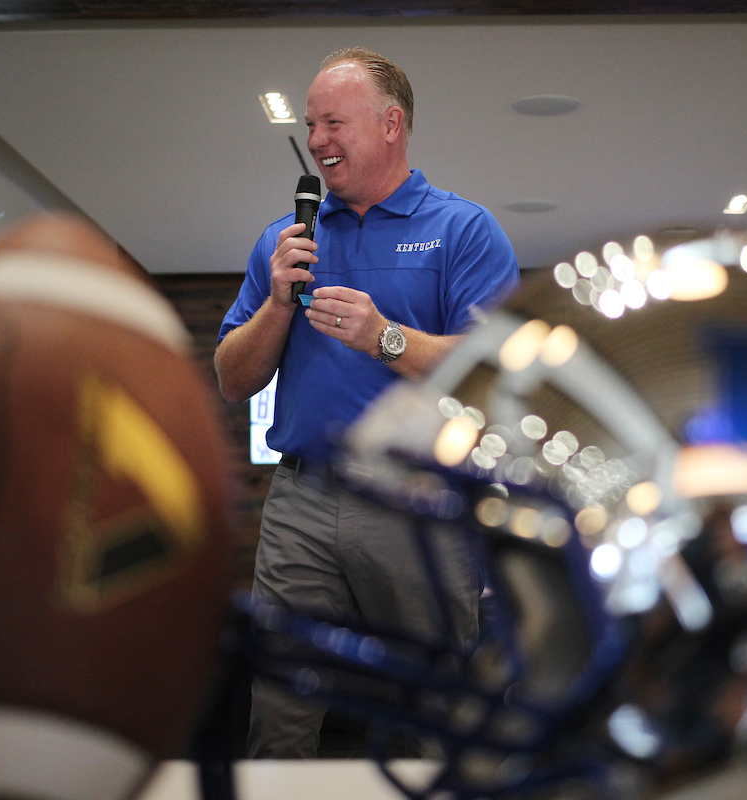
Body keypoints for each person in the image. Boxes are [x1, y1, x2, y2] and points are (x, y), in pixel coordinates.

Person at [214, 46, 519, 758]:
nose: (316, 141)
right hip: (302, 499)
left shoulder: (462, 231)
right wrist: (278, 308)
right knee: (279, 706)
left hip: (418, 500)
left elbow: (495, 374)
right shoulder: (284, 240)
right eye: (311, 124)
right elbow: (231, 378)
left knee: (436, 703)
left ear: (391, 125)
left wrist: (385, 338)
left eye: (333, 123)